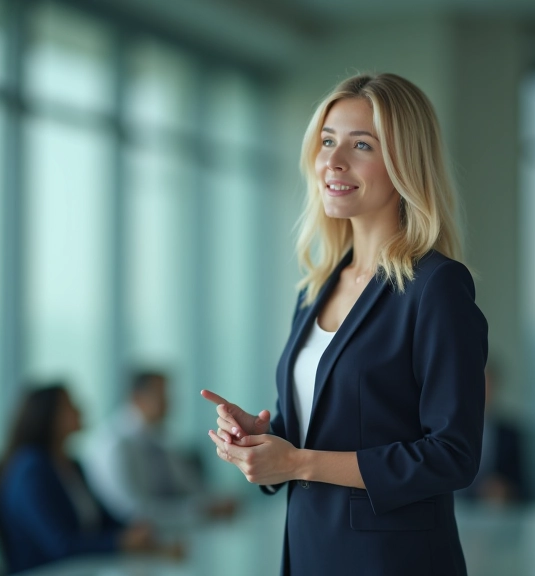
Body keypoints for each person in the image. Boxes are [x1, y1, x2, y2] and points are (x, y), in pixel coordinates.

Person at [200, 73, 488, 575]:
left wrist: (298, 463)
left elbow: (452, 456)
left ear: (404, 162)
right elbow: (328, 428)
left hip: (394, 563)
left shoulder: (436, 286)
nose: (333, 161)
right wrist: (265, 442)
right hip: (311, 551)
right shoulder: (317, 287)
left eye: (361, 145)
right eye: (328, 141)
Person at [0, 383, 181, 574]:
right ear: (48, 415)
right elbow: (61, 545)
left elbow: (103, 519)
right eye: (69, 405)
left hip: (83, 568)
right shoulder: (31, 469)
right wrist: (121, 542)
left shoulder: (71, 464)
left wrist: (135, 531)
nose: (79, 409)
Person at [84, 370, 237, 524]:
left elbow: (189, 487)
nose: (168, 403)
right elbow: (133, 512)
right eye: (160, 395)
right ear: (137, 398)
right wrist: (201, 510)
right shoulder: (114, 444)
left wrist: (214, 502)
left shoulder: (159, 439)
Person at [459, 362, 528, 505]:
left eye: (488, 385)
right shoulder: (451, 428)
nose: (484, 392)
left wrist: (506, 489)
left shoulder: (509, 433)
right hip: (458, 509)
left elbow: (525, 485)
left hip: (495, 513)